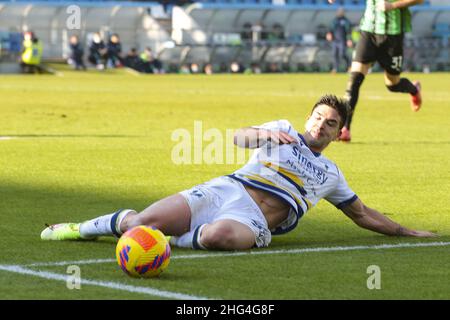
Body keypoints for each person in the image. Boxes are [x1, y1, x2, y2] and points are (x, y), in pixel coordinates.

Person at [41, 94, 436, 250]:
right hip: (224, 190)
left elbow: (361, 214)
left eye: (330, 123)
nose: (320, 125)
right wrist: (266, 133)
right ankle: (80, 228)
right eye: (317, 117)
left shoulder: (331, 173)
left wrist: (405, 230)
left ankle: (168, 244)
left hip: (251, 218)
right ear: (307, 118)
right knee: (140, 223)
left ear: (339, 132)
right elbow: (238, 137)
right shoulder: (281, 130)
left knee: (220, 237)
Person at [328, 0, 424, 142]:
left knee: (393, 84)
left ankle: (414, 90)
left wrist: (392, 6)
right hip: (368, 32)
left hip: (393, 35)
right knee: (354, 80)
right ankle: (345, 129)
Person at [326, 7, 353, 73]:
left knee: (342, 54)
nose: (340, 13)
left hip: (343, 40)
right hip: (335, 40)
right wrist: (329, 34)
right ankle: (335, 69)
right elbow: (330, 28)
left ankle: (349, 66)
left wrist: (349, 40)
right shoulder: (335, 20)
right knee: (335, 54)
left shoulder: (346, 21)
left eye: (341, 11)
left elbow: (349, 31)